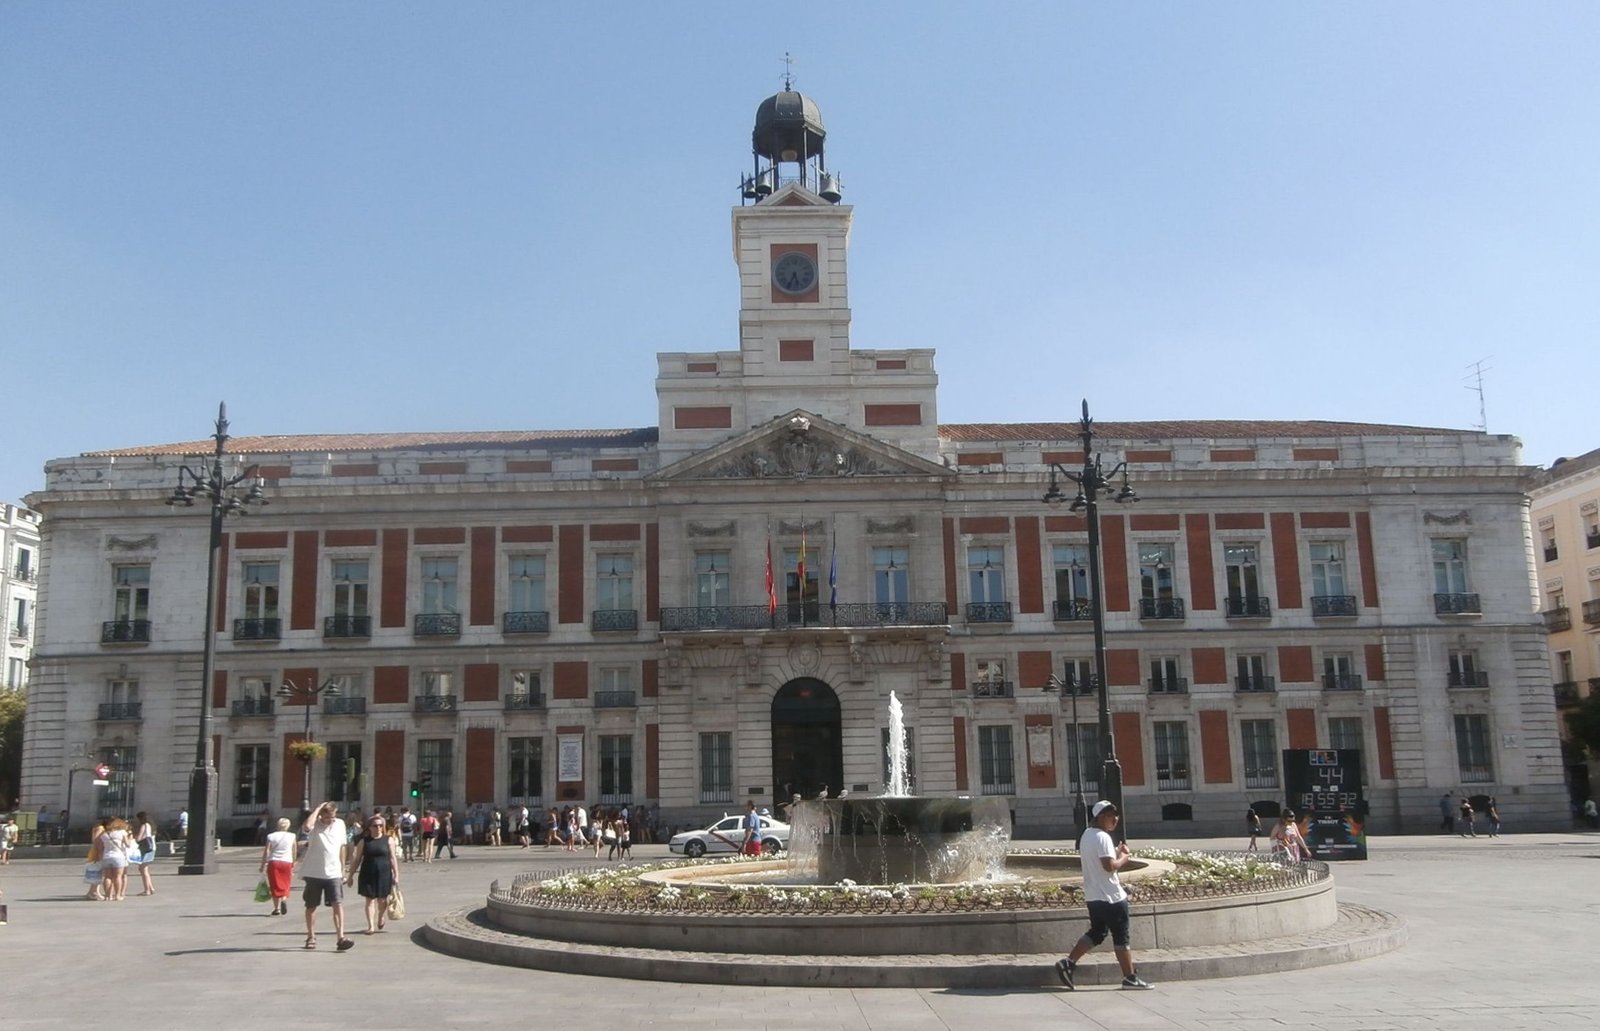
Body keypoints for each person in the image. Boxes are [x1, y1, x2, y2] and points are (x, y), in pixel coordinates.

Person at [1054, 801, 1153, 990]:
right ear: (1099, 817)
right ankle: (1130, 978)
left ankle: (1068, 962)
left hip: (1094, 896)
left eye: (1116, 815)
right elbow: (1109, 867)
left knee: (1097, 932)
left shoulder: (1087, 835)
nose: (1115, 819)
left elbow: (1099, 862)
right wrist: (1124, 858)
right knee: (1121, 936)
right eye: (1110, 815)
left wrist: (1115, 853)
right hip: (1112, 896)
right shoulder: (1103, 837)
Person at [300, 802, 354, 951]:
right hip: (314, 872)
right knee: (311, 906)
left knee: (337, 904)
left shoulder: (340, 824)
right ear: (321, 816)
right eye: (328, 817)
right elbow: (306, 827)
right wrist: (317, 809)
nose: (331, 819)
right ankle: (311, 937)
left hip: (334, 872)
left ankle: (340, 937)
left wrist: (343, 868)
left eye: (333, 816)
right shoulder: (315, 825)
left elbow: (342, 847)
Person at [344, 813, 398, 935]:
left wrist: (396, 874)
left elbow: (393, 858)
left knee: (382, 900)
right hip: (368, 873)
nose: (378, 827)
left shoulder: (388, 840)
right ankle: (371, 926)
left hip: (384, 873)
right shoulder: (364, 841)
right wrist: (350, 876)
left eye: (380, 825)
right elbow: (357, 859)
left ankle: (380, 916)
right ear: (370, 827)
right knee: (369, 900)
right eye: (375, 825)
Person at [259, 817, 296, 915]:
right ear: (288, 826)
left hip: (274, 862)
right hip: (287, 862)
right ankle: (284, 898)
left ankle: (277, 908)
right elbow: (294, 851)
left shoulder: (271, 836)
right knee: (286, 883)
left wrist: (263, 865)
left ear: (278, 825)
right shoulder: (292, 836)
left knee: (274, 885)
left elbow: (267, 851)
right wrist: (293, 863)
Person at [96, 818, 133, 901]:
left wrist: (100, 858)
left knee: (107, 877)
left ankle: (108, 896)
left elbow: (101, 847)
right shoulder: (122, 833)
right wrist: (130, 837)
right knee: (118, 877)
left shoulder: (104, 834)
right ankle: (117, 895)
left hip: (107, 856)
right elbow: (128, 845)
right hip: (118, 857)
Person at [132, 812, 157, 895]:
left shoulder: (144, 825)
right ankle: (150, 887)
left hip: (145, 849)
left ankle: (147, 890)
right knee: (143, 869)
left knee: (143, 869)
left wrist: (134, 837)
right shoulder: (151, 826)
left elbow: (139, 838)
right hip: (151, 848)